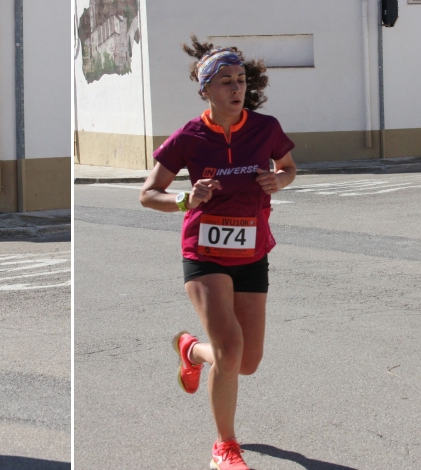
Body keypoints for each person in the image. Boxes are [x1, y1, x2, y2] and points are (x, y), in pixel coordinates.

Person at [139, 36, 297, 470]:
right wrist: (186, 199)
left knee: (246, 362)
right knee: (229, 351)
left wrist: (279, 182)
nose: (236, 88)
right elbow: (148, 194)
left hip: (252, 250)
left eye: (240, 80)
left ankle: (191, 350)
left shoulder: (265, 128)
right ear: (205, 89)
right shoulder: (188, 137)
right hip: (204, 252)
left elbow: (288, 168)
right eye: (225, 81)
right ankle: (225, 447)